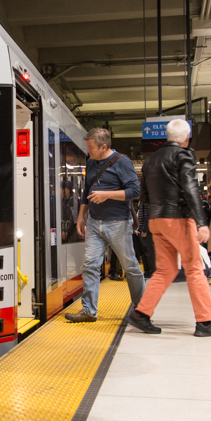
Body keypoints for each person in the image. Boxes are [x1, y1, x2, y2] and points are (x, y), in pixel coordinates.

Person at [127, 119, 211, 337]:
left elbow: (144, 196)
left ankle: (141, 314)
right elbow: (190, 189)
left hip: (157, 220)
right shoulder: (184, 155)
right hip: (178, 219)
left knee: (166, 270)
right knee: (194, 269)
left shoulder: (151, 160)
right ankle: (205, 322)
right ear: (187, 138)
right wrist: (201, 222)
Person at [67, 128, 144, 323]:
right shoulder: (91, 161)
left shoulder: (122, 162)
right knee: (90, 265)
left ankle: (142, 309)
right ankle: (89, 311)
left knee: (131, 266)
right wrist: (81, 216)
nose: (88, 151)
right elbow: (87, 191)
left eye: (91, 147)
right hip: (94, 222)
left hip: (118, 222)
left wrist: (107, 194)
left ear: (103, 146)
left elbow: (135, 191)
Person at [137, 187, 156, 278]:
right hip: (143, 230)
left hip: (147, 231)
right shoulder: (143, 199)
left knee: (149, 252)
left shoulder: (147, 200)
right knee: (145, 252)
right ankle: (147, 271)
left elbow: (147, 215)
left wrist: (144, 230)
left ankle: (151, 272)